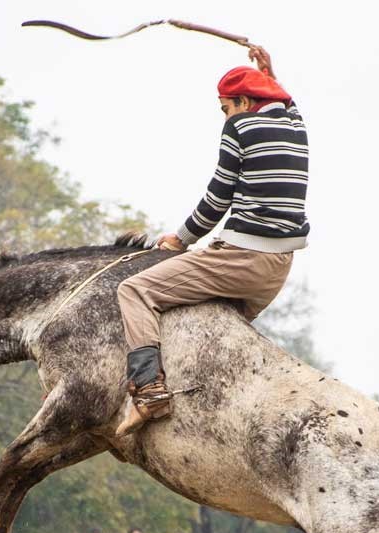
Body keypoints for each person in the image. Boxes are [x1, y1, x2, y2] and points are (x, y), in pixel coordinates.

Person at [115, 44, 308, 436]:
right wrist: (270, 76)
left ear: (241, 101)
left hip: (241, 257)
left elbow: (218, 196)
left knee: (134, 291)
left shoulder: (240, 127)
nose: (225, 115)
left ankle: (150, 393)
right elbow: (286, 102)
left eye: (226, 107)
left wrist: (180, 239)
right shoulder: (296, 125)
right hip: (276, 271)